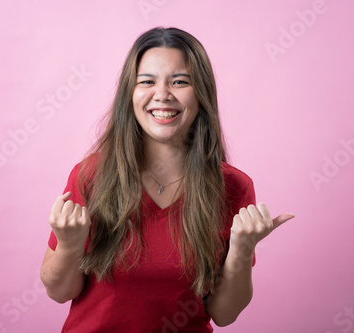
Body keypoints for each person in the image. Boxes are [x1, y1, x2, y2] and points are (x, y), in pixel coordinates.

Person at [40, 27, 295, 332]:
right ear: (129, 95)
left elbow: (224, 314)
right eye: (147, 81)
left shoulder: (233, 187)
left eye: (179, 82)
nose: (162, 95)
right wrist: (69, 245)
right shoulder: (91, 175)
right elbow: (59, 291)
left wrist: (241, 251)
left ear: (201, 93)